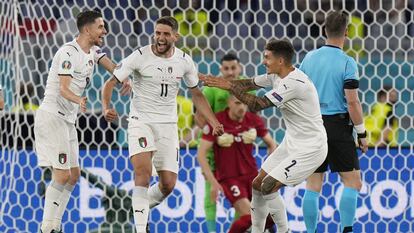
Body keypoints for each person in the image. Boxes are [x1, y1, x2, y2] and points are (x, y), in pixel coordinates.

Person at [101, 16, 224, 233]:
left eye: (166, 34)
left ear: (175, 36)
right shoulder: (139, 56)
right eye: (157, 32)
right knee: (143, 173)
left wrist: (214, 122)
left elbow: (197, 94)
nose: (160, 37)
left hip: (168, 126)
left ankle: (140, 209)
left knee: (168, 184)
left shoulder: (184, 61)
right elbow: (110, 83)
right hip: (141, 121)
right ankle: (140, 228)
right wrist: (106, 107)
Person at [201, 39, 328, 233]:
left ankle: (284, 231)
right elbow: (249, 84)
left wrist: (229, 86)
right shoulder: (275, 76)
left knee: (268, 186)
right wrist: (227, 84)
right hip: (292, 142)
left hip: (311, 148)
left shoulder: (294, 83)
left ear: (281, 61)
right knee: (258, 184)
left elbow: (257, 104)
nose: (263, 61)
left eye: (267, 57)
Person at [34, 10, 129, 233]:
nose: (104, 31)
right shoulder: (68, 53)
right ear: (87, 29)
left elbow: (114, 67)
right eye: (100, 27)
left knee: (74, 176)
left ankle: (54, 226)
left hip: (67, 120)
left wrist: (124, 79)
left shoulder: (94, 51)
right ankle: (47, 228)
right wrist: (79, 100)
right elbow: (64, 89)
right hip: (52, 117)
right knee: (62, 174)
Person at [299, 11, 368, 233]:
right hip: (337, 126)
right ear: (347, 32)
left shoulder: (309, 59)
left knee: (313, 185)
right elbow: (352, 102)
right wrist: (362, 132)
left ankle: (311, 231)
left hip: (312, 124)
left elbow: (298, 91)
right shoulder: (348, 62)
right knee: (352, 182)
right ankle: (346, 230)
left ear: (324, 30)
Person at [197, 95, 277, 233]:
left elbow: (272, 145)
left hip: (252, 176)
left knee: (270, 218)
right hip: (229, 178)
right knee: (250, 216)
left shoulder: (253, 120)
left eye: (245, 103)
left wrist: (267, 173)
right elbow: (201, 154)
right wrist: (213, 182)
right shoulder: (218, 121)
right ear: (229, 103)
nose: (242, 107)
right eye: (238, 103)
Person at [194, 52, 246, 233]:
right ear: (220, 70)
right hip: (213, 147)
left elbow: (254, 112)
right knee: (212, 187)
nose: (230, 72)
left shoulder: (246, 87)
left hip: (237, 148)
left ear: (239, 68)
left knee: (243, 191)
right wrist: (212, 133)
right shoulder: (211, 90)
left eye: (233, 68)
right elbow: (198, 118)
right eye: (226, 68)